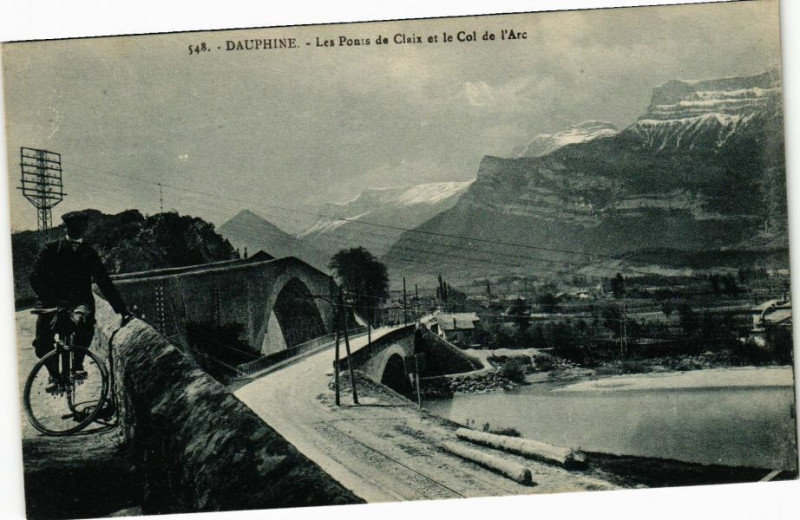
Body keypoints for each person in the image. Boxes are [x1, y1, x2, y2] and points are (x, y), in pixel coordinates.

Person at [29, 210, 130, 390]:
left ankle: (77, 365)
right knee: (42, 343)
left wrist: (121, 309)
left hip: (79, 302)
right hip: (51, 302)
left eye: (81, 226)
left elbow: (104, 282)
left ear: (85, 228)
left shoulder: (89, 252)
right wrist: (51, 299)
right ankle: (55, 376)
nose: (77, 229)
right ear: (66, 228)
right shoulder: (51, 249)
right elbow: (35, 277)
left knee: (84, 324)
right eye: (72, 226)